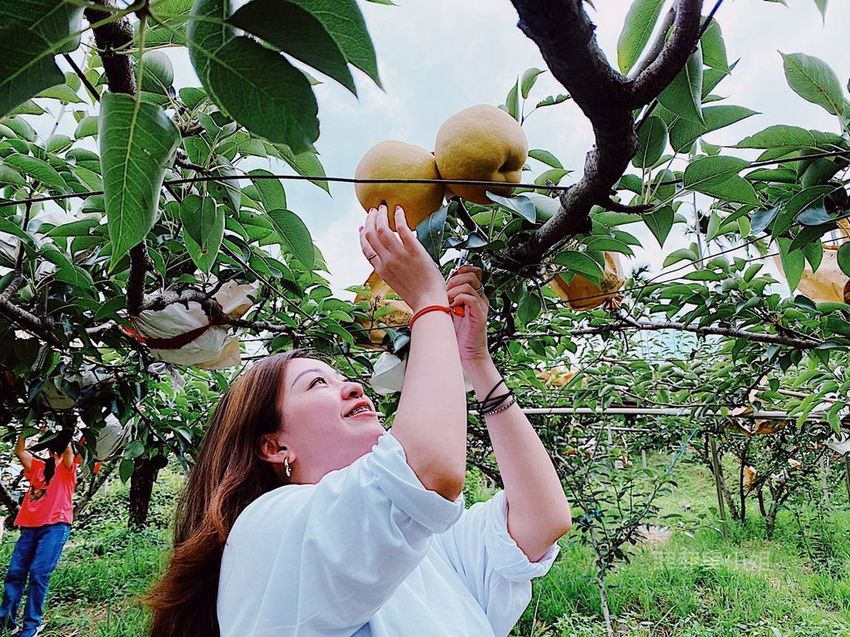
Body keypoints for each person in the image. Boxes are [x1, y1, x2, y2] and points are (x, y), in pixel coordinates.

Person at [144, 204, 572, 636]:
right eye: (316, 385)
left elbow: (543, 521)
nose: (352, 388)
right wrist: (427, 301)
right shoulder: (269, 526)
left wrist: (477, 363)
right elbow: (427, 469)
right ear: (274, 447)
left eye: (344, 378)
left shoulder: (419, 540)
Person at [0, 428, 80, 637]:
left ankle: (31, 626)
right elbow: (20, 451)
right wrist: (27, 428)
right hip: (30, 527)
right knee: (15, 573)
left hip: (55, 526)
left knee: (38, 574)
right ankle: (7, 621)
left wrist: (57, 430)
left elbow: (68, 450)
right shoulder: (38, 467)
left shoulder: (67, 469)